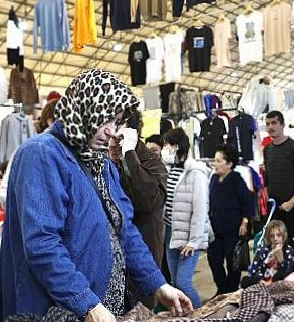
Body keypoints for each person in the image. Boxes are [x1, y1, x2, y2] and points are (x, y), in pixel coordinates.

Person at [0, 70, 192, 322]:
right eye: (102, 118)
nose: (110, 130)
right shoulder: (42, 154)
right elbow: (42, 244)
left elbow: (125, 232)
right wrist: (86, 304)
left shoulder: (100, 162)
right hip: (55, 316)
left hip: (99, 312)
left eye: (116, 120)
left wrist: (158, 284)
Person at [108, 111, 168, 309]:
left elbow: (150, 202)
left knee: (140, 311)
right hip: (112, 254)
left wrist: (130, 155)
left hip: (143, 250)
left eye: (115, 122)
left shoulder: (150, 160)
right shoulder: (105, 157)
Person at [161, 128, 210, 309]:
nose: (164, 148)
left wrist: (194, 241)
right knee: (174, 281)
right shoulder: (170, 168)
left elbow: (200, 209)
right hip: (170, 232)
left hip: (189, 236)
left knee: (183, 282)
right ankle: (184, 319)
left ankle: (200, 316)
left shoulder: (196, 173)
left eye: (167, 144)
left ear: (176, 146)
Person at [208, 144, 253, 295]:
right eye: (215, 160)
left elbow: (247, 201)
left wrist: (245, 222)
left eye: (219, 161)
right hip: (215, 229)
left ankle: (232, 291)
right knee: (214, 260)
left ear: (229, 164)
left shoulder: (236, 179)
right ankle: (222, 289)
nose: (216, 164)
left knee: (232, 261)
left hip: (233, 228)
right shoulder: (214, 179)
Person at [263, 111, 294, 239]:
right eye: (268, 124)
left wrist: (292, 202)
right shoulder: (267, 149)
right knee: (276, 245)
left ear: (282, 124)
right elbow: (267, 177)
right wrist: (266, 194)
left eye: (274, 123)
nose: (270, 127)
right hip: (275, 207)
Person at [242, 220, 294, 288]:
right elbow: (254, 271)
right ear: (268, 237)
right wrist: (262, 281)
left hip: (279, 283)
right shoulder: (263, 250)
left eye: (278, 235)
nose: (275, 239)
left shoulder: (289, 251)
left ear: (284, 236)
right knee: (245, 280)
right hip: (263, 282)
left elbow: (290, 273)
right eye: (272, 236)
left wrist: (281, 260)